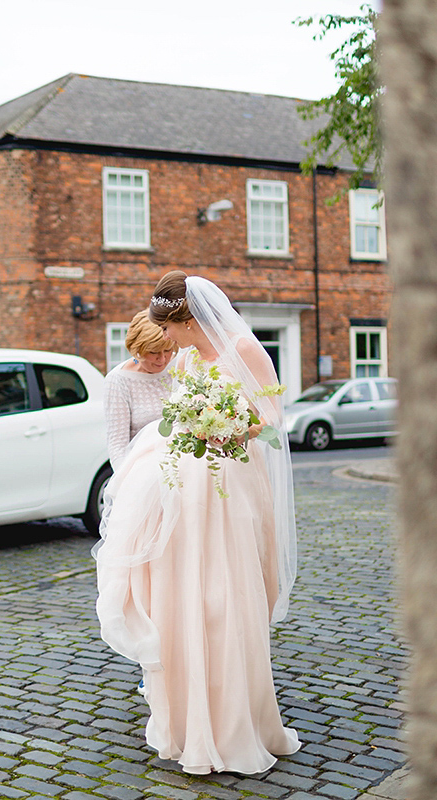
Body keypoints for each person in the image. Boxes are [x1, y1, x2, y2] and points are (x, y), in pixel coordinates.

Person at [94, 270, 300, 775]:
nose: (166, 339)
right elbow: (165, 404)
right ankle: (186, 721)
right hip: (184, 482)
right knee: (184, 591)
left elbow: (272, 417)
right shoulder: (185, 358)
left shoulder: (246, 350)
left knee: (226, 593)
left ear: (189, 319)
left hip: (232, 480)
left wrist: (228, 430)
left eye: (170, 329)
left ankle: (234, 722)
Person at [103, 310, 177, 471]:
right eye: (154, 352)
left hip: (182, 466)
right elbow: (117, 445)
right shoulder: (118, 381)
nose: (163, 359)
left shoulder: (180, 366)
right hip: (142, 470)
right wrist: (126, 482)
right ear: (137, 349)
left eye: (168, 350)